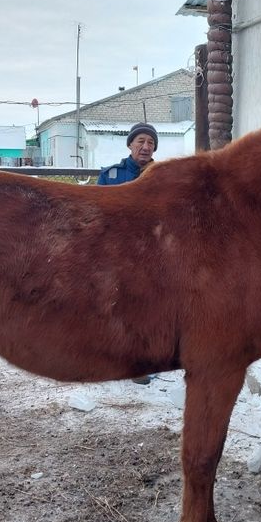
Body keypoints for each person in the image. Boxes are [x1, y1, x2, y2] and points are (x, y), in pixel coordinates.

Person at [97, 122, 159, 386]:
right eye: (141, 141)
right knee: (110, 307)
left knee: (145, 310)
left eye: (151, 143)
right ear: (130, 144)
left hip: (149, 257)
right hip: (114, 255)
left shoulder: (163, 177)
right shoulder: (110, 175)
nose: (145, 147)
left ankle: (138, 365)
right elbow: (96, 215)